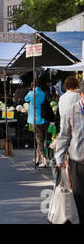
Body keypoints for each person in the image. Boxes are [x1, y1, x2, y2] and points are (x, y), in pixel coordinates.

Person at [55, 80, 84, 224]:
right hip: (77, 161)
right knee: (78, 197)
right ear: (81, 94)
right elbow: (64, 135)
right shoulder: (72, 111)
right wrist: (60, 157)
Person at [24, 79, 49, 167]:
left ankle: (45, 160)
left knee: (39, 140)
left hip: (36, 119)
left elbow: (25, 99)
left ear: (32, 86)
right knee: (41, 140)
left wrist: (31, 91)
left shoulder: (32, 93)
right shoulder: (43, 93)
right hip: (45, 119)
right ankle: (38, 159)